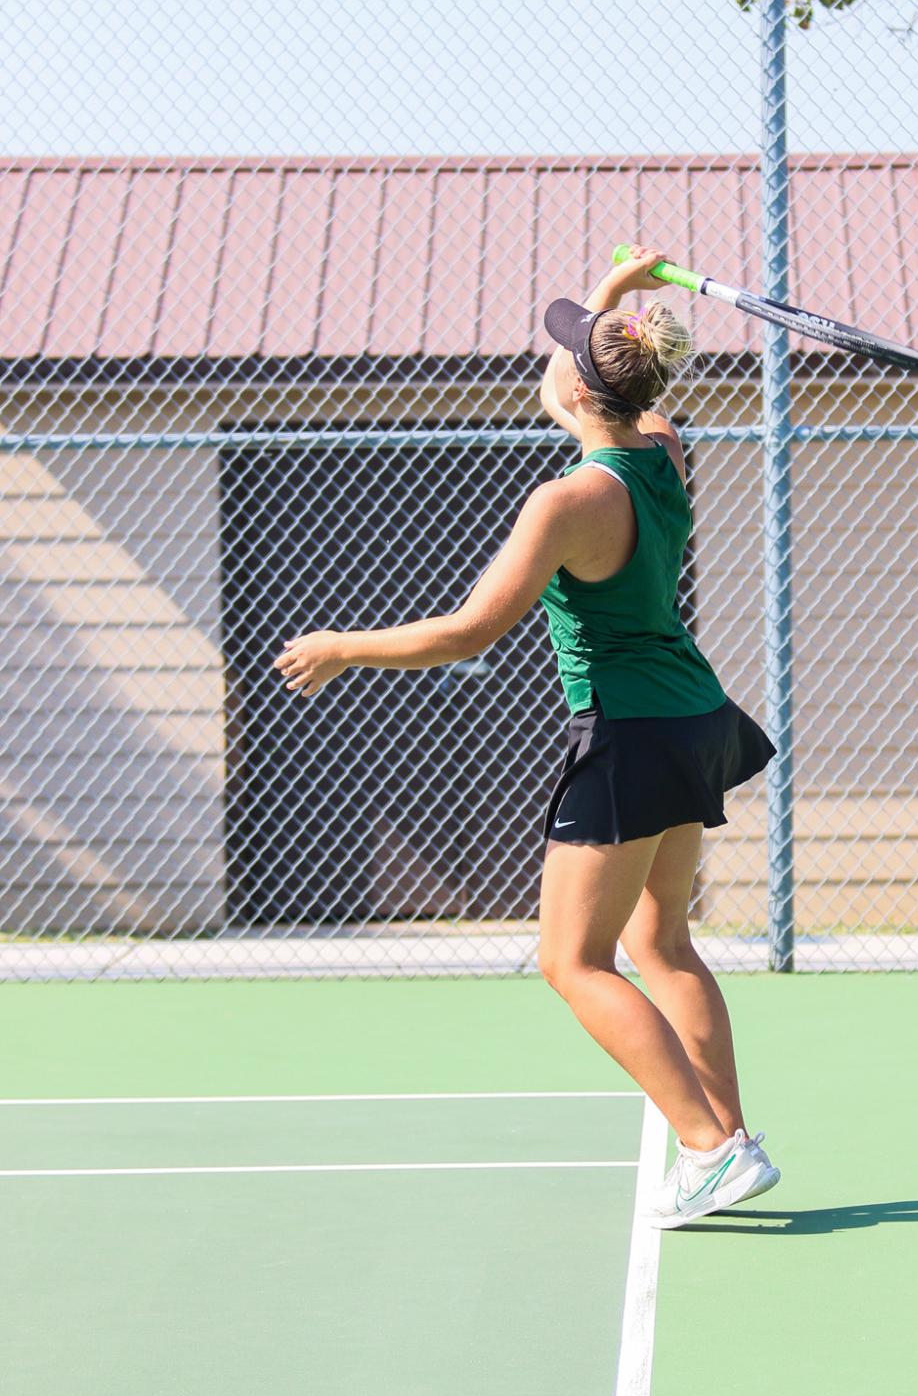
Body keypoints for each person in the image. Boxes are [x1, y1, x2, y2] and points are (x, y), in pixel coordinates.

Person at [273, 247, 780, 1227]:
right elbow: (580, 383)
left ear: (585, 385)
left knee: (572, 962)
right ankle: (728, 1139)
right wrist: (611, 302)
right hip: (693, 718)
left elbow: (469, 630)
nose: (551, 369)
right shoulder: (665, 447)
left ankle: (710, 1149)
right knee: (664, 943)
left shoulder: (566, 502)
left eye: (569, 355)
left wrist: (342, 645)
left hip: (629, 734)